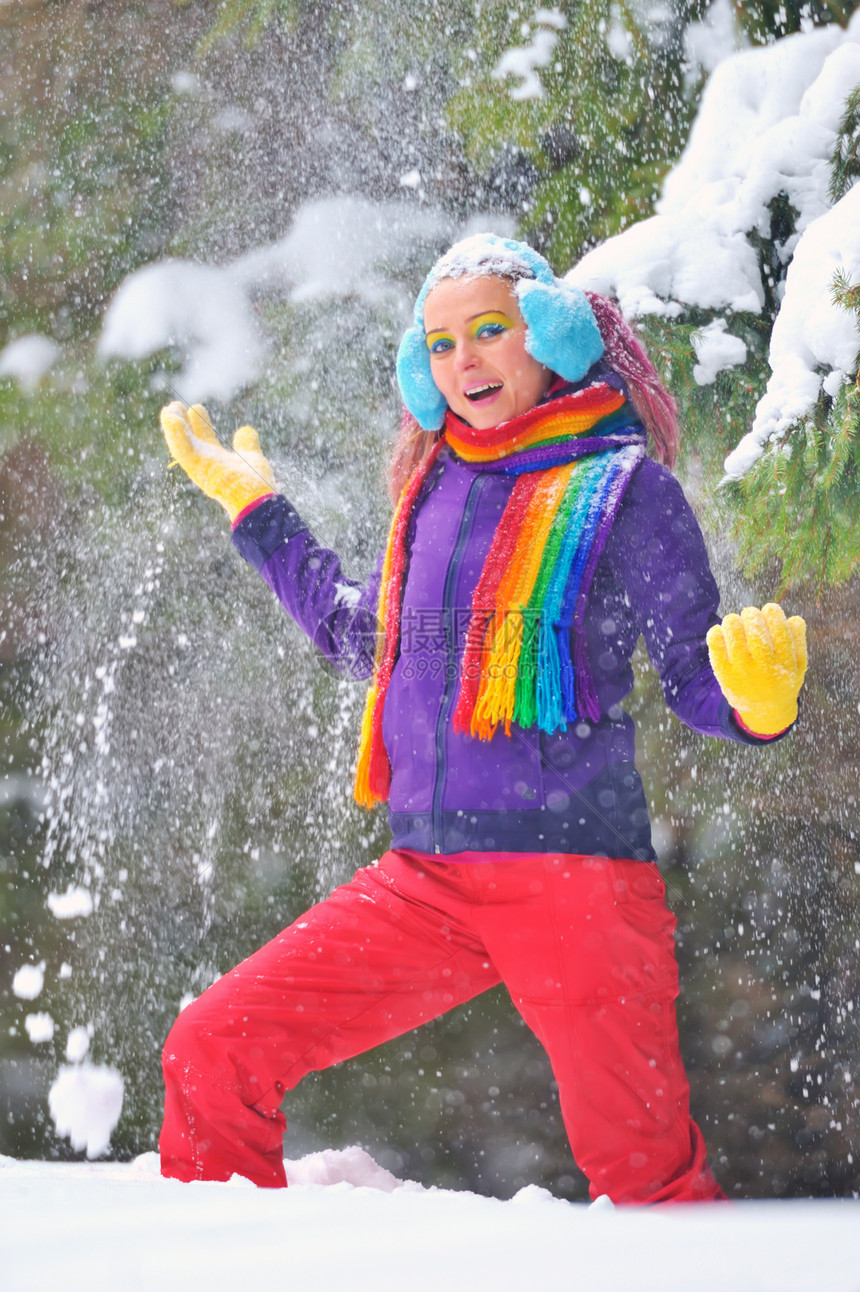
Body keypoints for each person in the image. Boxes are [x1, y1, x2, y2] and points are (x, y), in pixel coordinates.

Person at [157, 233, 807, 1204]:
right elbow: (360, 639)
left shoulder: (624, 489)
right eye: (439, 343)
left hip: (578, 883)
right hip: (425, 881)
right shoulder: (432, 487)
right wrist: (261, 513)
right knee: (213, 1048)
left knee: (646, 1179)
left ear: (548, 337)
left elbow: (690, 673)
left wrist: (754, 706)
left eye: (489, 330)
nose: (462, 358)